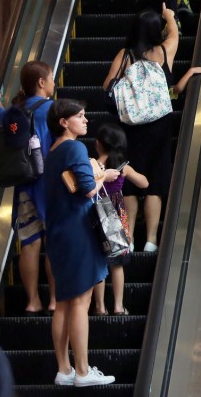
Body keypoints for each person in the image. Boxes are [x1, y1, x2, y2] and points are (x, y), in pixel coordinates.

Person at [102, 5, 185, 253]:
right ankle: (151, 239)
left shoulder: (125, 55)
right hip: (159, 126)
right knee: (155, 181)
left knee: (129, 180)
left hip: (130, 127)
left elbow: (107, 86)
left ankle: (129, 237)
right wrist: (169, 16)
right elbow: (175, 35)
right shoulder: (163, 51)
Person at [43, 99, 114, 387]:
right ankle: (83, 372)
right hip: (78, 232)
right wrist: (105, 176)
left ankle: (64, 369)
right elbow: (87, 190)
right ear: (64, 121)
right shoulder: (74, 147)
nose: (86, 120)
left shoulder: (54, 150)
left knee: (63, 302)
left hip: (59, 232)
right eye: (80, 116)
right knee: (81, 302)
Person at [0, 60, 56, 314]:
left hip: (25, 186)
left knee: (30, 243)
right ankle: (55, 300)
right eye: (52, 78)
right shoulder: (52, 109)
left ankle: (32, 301)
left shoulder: (17, 110)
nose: (54, 82)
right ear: (41, 83)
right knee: (54, 242)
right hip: (49, 186)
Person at [90, 125, 148, 317]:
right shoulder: (123, 166)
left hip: (96, 213)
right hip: (116, 213)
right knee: (118, 263)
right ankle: (118, 306)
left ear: (98, 144)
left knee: (99, 261)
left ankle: (99, 307)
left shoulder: (93, 165)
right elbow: (144, 183)